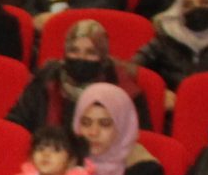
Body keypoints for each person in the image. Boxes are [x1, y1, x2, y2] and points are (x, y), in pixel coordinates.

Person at [7, 19, 139, 137]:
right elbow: (16, 122)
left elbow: (133, 138)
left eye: (91, 52)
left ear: (102, 56)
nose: (81, 58)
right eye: (74, 51)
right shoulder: (47, 77)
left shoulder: (121, 86)